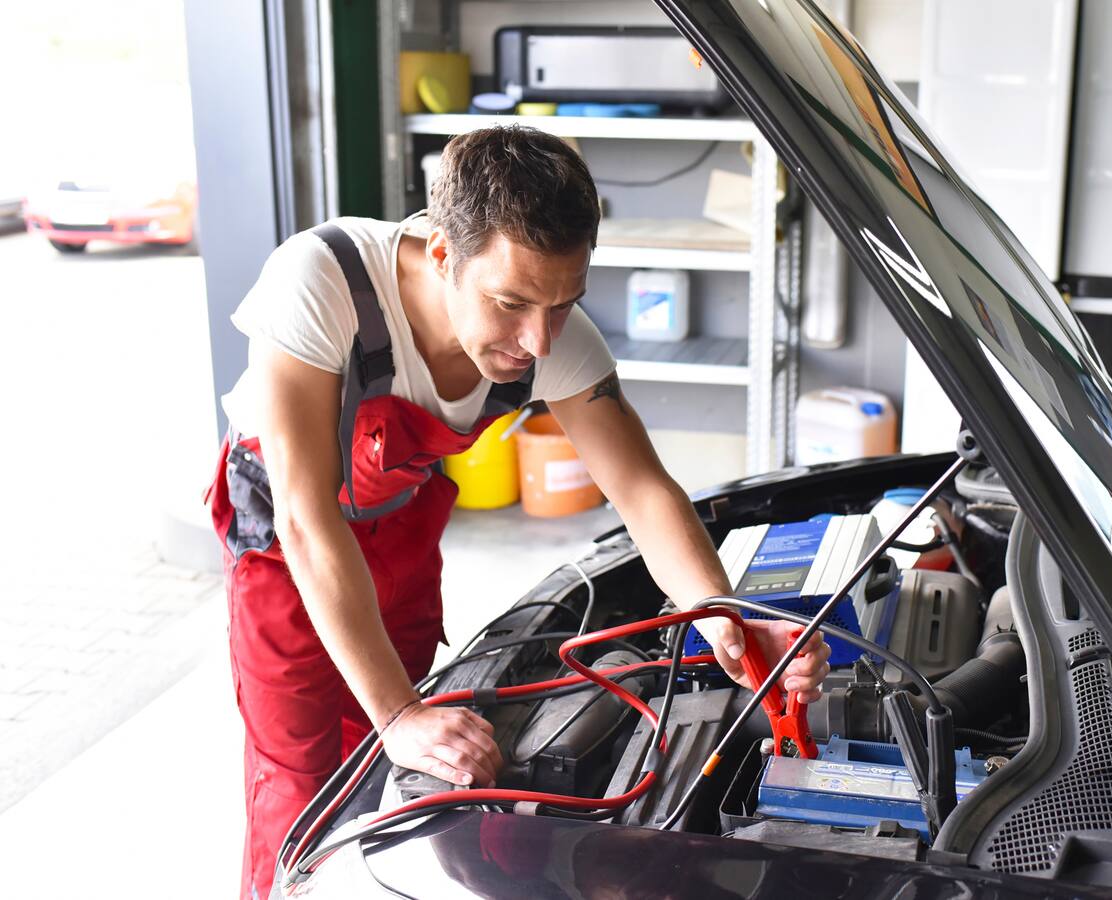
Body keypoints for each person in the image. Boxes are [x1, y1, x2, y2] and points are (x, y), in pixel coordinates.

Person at [206, 124, 831, 900]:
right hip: (287, 542)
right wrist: (399, 712)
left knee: (389, 768)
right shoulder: (323, 280)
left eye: (564, 303)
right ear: (441, 255)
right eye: (511, 303)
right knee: (298, 778)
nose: (538, 339)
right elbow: (306, 516)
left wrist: (728, 622)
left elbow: (643, 491)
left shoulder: (548, 334)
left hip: (399, 525)